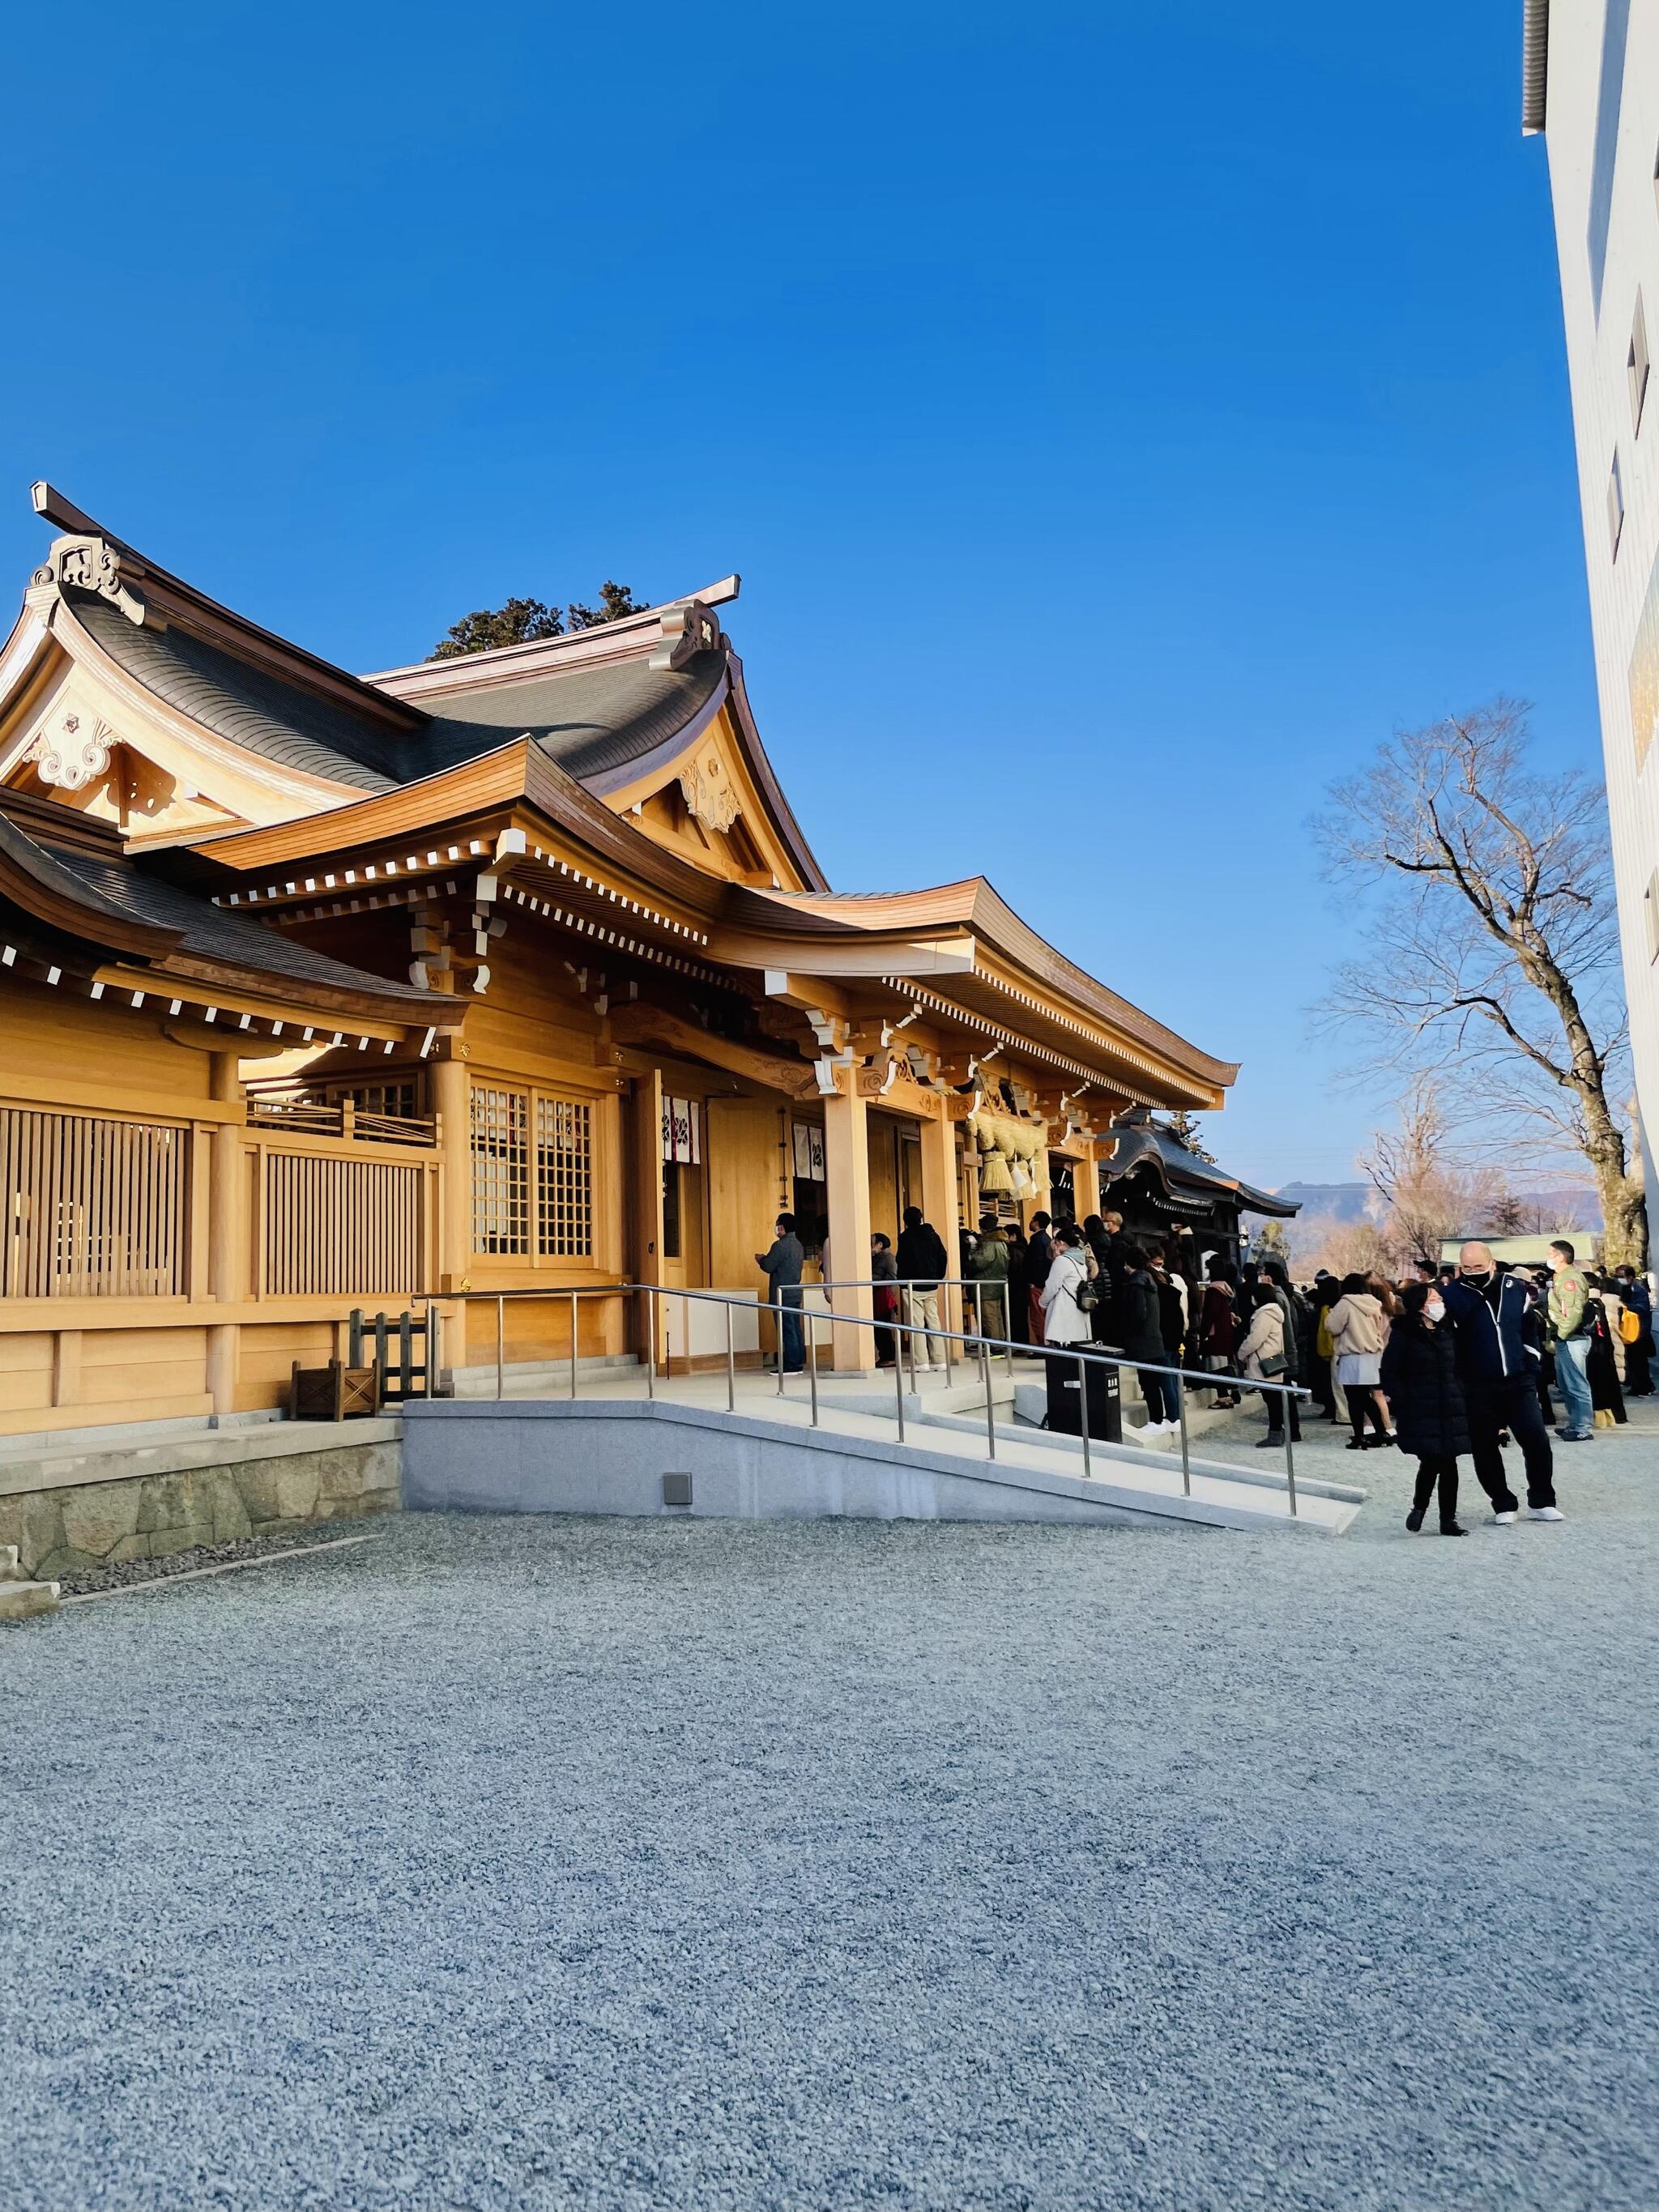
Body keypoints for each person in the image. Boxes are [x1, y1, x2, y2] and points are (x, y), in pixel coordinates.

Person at [1440, 1241, 1563, 1522]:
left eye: (1479, 1267)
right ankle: (1503, 1503)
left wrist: (1531, 1361)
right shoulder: (1452, 1295)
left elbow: (1528, 1328)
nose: (1473, 1272)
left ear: (1492, 1264)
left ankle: (1542, 1499)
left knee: (1536, 1439)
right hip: (1477, 1385)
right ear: (1460, 1267)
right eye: (1467, 1267)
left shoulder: (1514, 1288)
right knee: (1484, 1447)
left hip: (1518, 1381)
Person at [1379, 1280, 1469, 1536]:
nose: (1439, 1303)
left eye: (1439, 1299)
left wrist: (1462, 1391)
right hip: (1420, 1406)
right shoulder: (1405, 1333)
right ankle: (1420, 1507)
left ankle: (1447, 1520)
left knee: (1449, 1462)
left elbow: (1461, 1366)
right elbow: (1390, 1370)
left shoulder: (1449, 1330)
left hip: (1450, 1404)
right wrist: (1402, 1399)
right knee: (1432, 1460)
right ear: (1419, 1305)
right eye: (1433, 1300)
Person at [1325, 1272, 1392, 1449]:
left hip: (1352, 1356)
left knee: (1354, 1399)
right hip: (1372, 1356)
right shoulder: (1374, 1304)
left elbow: (1332, 1326)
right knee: (1367, 1398)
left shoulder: (1346, 1303)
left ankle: (1359, 1437)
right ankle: (1381, 1432)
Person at [1118, 1242, 1175, 1431]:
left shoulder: (1136, 1285)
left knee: (1149, 1384)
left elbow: (1137, 1315)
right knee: (1154, 1383)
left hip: (1142, 1341)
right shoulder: (1150, 1281)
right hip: (1154, 1338)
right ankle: (1160, 1420)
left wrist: (1127, 1332)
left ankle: (1156, 1421)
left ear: (1129, 1263)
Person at [1544, 1238, 1595, 1443]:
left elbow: (1572, 1313)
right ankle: (1574, 1424)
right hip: (1566, 1337)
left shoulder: (1569, 1279)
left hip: (1572, 1337)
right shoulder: (1561, 1277)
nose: (1547, 1257)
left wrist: (1561, 1335)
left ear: (1561, 1256)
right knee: (1567, 1384)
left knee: (1577, 1384)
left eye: (1550, 1253)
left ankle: (1582, 1427)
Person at [1256, 1257, 1307, 1451]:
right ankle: (1293, 1431)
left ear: (1268, 1277)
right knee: (1285, 1394)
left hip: (1278, 1353)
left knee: (1276, 1395)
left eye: (1262, 1275)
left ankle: (1281, 1431)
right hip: (1287, 1351)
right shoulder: (1285, 1294)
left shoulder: (1275, 1298)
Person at [895, 1204, 950, 1371]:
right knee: (933, 1320)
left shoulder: (905, 1237)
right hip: (931, 1284)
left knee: (916, 1324)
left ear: (905, 1221)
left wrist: (902, 1281)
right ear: (921, 1218)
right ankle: (940, 1360)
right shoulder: (933, 1236)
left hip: (912, 1285)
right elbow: (943, 1256)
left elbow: (901, 1260)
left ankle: (921, 1362)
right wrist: (937, 1277)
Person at [756, 1213, 805, 1374]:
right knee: (795, 1328)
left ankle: (790, 1365)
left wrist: (761, 1259)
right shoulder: (798, 1245)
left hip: (781, 1294)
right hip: (795, 1293)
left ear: (782, 1227)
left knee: (787, 1329)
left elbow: (769, 1266)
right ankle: (798, 1361)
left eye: (777, 1224)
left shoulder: (780, 1245)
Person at [1237, 1284, 1290, 1429]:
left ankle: (1275, 1432)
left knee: (1272, 1401)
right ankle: (1278, 1431)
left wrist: (1242, 1352)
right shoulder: (1274, 1312)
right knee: (1274, 1400)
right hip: (1272, 1360)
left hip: (1264, 1362)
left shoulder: (1264, 1314)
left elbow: (1256, 1339)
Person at [1147, 1245, 1188, 1427]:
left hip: (1162, 1339)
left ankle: (1173, 1416)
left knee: (1166, 1379)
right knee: (1171, 1377)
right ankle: (1176, 1413)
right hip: (1175, 1338)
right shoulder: (1174, 1293)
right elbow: (1181, 1316)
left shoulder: (1158, 1296)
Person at [1038, 1221, 1094, 1352]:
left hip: (1063, 1309)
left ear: (1061, 1243)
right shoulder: (1081, 1260)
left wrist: (1042, 1303)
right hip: (1079, 1308)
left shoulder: (1062, 1261)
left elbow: (1052, 1286)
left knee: (1062, 1347)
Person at [1197, 1255, 1242, 1409]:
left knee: (1216, 1367)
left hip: (1214, 1334)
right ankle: (1230, 1393)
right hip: (1226, 1332)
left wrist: (1203, 1334)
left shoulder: (1213, 1290)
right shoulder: (1226, 1290)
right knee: (1225, 1365)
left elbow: (1210, 1314)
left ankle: (1223, 1397)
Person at [1585, 1273, 1627, 1430]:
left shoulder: (1591, 1304)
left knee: (1597, 1383)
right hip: (1610, 1346)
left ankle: (1601, 1417)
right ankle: (1616, 1415)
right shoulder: (1602, 1302)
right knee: (1611, 1381)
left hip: (1596, 1348)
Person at [970, 1213, 1011, 1343]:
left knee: (988, 1317)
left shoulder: (989, 1243)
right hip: (998, 1284)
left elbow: (981, 1262)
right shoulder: (1002, 1243)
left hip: (986, 1285)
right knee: (996, 1316)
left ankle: (995, 1345)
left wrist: (972, 1252)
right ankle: (1000, 1341)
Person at [1615, 1263, 1653, 1394]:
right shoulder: (1621, 1290)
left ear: (1630, 1277)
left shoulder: (1638, 1290)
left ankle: (1645, 1387)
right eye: (1616, 1276)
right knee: (1630, 1360)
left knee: (1639, 1361)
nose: (1618, 1279)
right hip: (1626, 1330)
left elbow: (1642, 1309)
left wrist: (1625, 1305)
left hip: (1639, 1331)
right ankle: (1635, 1385)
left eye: (1621, 1276)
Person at [1023, 1211, 1055, 1349]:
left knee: (1037, 1317)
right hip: (1045, 1283)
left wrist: (1032, 1281)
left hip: (1037, 1284)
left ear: (1036, 1223)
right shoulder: (1047, 1239)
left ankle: (1042, 1346)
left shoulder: (1036, 1240)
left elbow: (1035, 1263)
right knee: (1045, 1315)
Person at [870, 1231, 899, 1370]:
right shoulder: (875, 1258)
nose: (869, 1248)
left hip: (884, 1297)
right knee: (878, 1328)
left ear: (879, 1245)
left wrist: (873, 1279)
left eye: (871, 1245)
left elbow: (893, 1277)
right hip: (875, 1296)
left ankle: (888, 1357)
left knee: (884, 1329)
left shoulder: (889, 1258)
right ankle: (884, 1356)